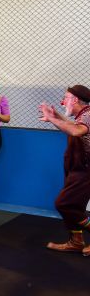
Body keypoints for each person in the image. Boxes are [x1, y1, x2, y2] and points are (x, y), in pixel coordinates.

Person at [38, 85, 90, 254]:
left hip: (85, 170)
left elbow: (76, 131)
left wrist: (52, 119)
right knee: (76, 206)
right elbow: (72, 126)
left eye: (65, 98)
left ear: (75, 100)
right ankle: (76, 241)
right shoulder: (83, 115)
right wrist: (56, 116)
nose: (62, 102)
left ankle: (77, 240)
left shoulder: (88, 115)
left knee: (64, 204)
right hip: (77, 168)